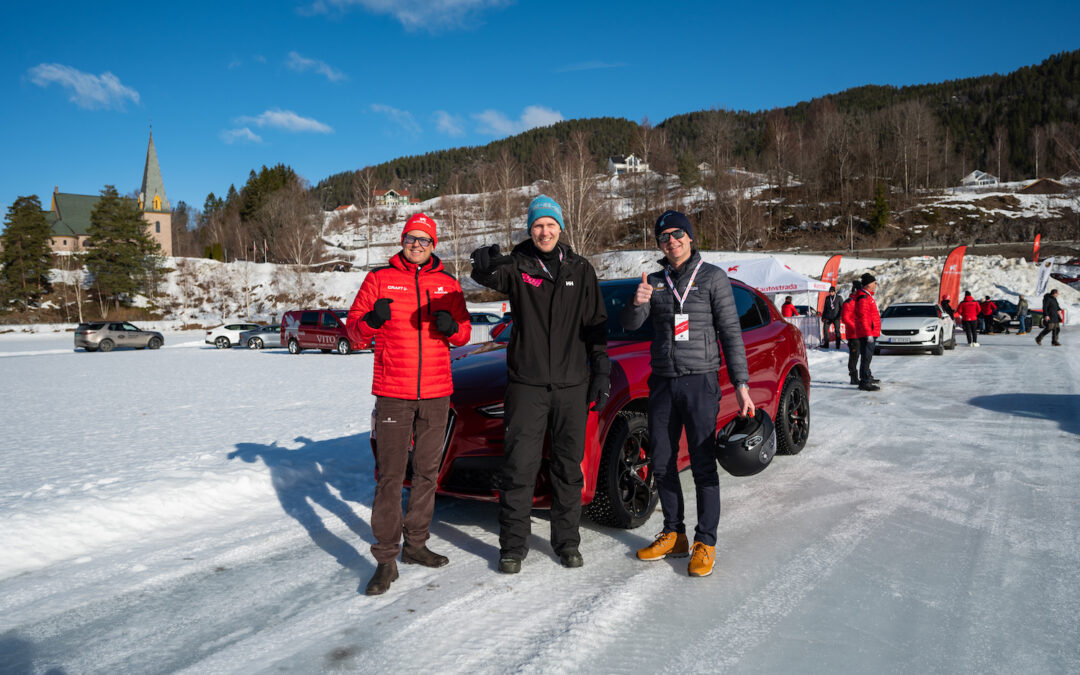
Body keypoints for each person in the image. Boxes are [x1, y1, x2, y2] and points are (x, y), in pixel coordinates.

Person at [470, 195, 609, 574]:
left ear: (560, 228)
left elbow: (596, 325)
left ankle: (567, 543)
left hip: (571, 387)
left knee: (567, 468)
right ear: (529, 230)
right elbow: (489, 276)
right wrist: (481, 265)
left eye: (549, 225)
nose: (544, 231)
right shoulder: (518, 265)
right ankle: (513, 547)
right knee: (519, 467)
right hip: (527, 386)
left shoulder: (580, 270)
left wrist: (601, 371)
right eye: (537, 226)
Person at [621, 210, 754, 578]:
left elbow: (731, 332)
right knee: (662, 462)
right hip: (663, 382)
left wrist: (741, 385)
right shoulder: (656, 281)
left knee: (701, 463)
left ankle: (705, 541)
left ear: (690, 237)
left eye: (678, 234)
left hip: (700, 381)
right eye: (664, 237)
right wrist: (637, 301)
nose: (672, 241)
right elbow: (631, 326)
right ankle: (674, 534)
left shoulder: (713, 278)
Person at [345, 213, 472, 596]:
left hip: (436, 393)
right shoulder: (378, 280)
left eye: (425, 240)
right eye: (411, 239)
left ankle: (415, 544)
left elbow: (465, 333)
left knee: (427, 474)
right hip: (393, 393)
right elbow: (352, 333)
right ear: (402, 241)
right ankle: (386, 559)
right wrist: (371, 319)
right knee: (389, 477)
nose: (417, 245)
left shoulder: (447, 283)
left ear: (435, 245)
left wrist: (453, 328)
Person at [852, 272, 881, 391]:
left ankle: (866, 377)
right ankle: (864, 381)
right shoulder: (863, 298)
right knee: (866, 357)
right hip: (867, 333)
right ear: (869, 285)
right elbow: (864, 317)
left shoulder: (867, 296)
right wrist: (868, 333)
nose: (876, 285)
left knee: (867, 356)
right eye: (874, 283)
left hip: (869, 332)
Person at [841, 281, 863, 385]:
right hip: (853, 335)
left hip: (861, 334)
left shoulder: (858, 302)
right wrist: (856, 328)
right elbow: (845, 318)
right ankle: (853, 377)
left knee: (862, 355)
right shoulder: (848, 302)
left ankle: (865, 375)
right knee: (854, 356)